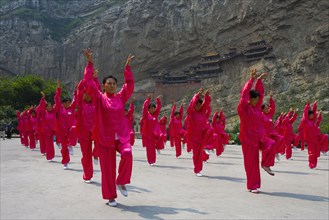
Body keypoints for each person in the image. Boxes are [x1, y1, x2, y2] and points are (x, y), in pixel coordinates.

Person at [83, 48, 134, 207]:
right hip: (105, 138)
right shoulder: (99, 98)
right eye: (109, 83)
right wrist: (90, 64)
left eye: (114, 84)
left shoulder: (120, 97)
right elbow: (89, 83)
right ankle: (111, 197)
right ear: (104, 85)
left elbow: (129, 85)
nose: (112, 86)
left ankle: (122, 181)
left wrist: (127, 69)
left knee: (127, 153)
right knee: (108, 169)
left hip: (121, 136)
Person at [237, 69, 276, 194]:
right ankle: (252, 186)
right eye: (255, 99)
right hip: (248, 140)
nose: (257, 101)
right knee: (251, 163)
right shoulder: (244, 109)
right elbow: (243, 96)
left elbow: (261, 93)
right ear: (250, 99)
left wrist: (259, 80)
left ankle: (266, 164)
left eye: (258, 99)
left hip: (259, 137)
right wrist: (251, 80)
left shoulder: (257, 108)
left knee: (272, 144)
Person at [76, 70, 101, 183]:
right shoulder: (80, 105)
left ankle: (96, 154)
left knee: (100, 143)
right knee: (86, 155)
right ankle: (87, 175)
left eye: (90, 94)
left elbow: (97, 90)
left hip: (96, 130)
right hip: (84, 131)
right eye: (86, 94)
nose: (88, 96)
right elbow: (80, 89)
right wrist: (87, 77)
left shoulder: (96, 103)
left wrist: (94, 79)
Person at [186, 88, 213, 177]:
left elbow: (206, 105)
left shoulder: (202, 113)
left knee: (211, 130)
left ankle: (208, 147)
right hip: (194, 137)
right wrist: (196, 96)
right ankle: (197, 169)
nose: (198, 106)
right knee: (196, 154)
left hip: (202, 136)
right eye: (196, 104)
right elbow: (190, 106)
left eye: (199, 105)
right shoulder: (191, 113)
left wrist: (206, 96)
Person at [54, 81, 78, 169]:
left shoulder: (72, 108)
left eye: (69, 102)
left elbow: (76, 99)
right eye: (65, 102)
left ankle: (71, 145)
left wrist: (76, 90)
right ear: (63, 103)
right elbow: (57, 99)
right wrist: (58, 89)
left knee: (74, 128)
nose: (67, 104)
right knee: (64, 148)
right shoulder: (60, 109)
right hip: (62, 131)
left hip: (71, 130)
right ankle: (65, 162)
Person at [261, 91, 284, 161]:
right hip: (265, 135)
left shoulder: (269, 114)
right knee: (267, 149)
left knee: (281, 139)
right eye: (266, 108)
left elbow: (273, 107)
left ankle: (276, 151)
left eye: (268, 108)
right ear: (262, 109)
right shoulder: (260, 115)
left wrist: (271, 98)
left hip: (272, 133)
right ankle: (265, 160)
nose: (268, 109)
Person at [141, 95, 162, 165]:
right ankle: (150, 161)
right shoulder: (146, 115)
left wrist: (158, 101)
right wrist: (148, 99)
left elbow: (159, 108)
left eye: (153, 108)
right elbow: (144, 108)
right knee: (150, 149)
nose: (152, 109)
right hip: (148, 135)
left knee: (154, 147)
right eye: (151, 108)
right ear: (148, 109)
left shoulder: (155, 115)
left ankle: (157, 150)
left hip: (154, 134)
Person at [37, 92, 57, 161]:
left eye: (50, 106)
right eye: (48, 106)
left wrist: (57, 94)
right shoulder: (44, 113)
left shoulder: (54, 111)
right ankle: (49, 156)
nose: (49, 107)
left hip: (53, 130)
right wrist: (43, 98)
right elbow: (41, 106)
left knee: (51, 143)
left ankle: (51, 155)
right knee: (48, 144)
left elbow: (57, 104)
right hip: (46, 130)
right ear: (46, 108)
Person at [301, 101, 320, 169]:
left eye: (312, 115)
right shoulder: (305, 121)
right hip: (309, 139)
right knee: (312, 152)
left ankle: (314, 164)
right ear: (308, 115)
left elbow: (314, 112)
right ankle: (311, 164)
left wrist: (314, 105)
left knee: (316, 152)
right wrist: (307, 105)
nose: (312, 116)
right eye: (310, 115)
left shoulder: (313, 121)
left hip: (315, 138)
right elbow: (305, 114)